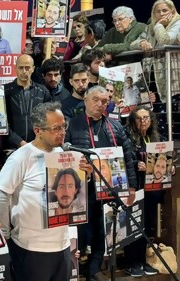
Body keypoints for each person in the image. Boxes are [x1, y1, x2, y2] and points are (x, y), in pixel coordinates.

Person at [0, 102, 93, 281]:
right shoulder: (21, 157)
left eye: (64, 126)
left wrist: (86, 176)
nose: (62, 132)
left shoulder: (63, 153)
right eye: (56, 128)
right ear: (38, 130)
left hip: (61, 244)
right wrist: (5, 233)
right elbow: (0, 195)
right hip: (31, 247)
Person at [65, 86, 138, 280]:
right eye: (96, 100)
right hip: (81, 188)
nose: (100, 104)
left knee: (101, 228)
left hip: (108, 187)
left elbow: (128, 156)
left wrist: (131, 186)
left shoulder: (115, 126)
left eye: (104, 101)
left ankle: (94, 269)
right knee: (79, 228)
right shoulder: (73, 124)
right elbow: (63, 155)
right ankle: (75, 268)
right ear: (86, 101)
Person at [122, 106, 167, 277]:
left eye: (146, 118)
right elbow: (125, 159)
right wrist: (136, 164)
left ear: (151, 119)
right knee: (133, 225)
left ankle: (143, 260)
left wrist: (169, 168)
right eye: (139, 118)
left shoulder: (156, 138)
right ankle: (131, 262)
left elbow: (165, 158)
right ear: (133, 121)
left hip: (152, 190)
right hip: (135, 187)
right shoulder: (127, 137)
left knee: (147, 225)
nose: (143, 121)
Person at [4, 54, 52, 149]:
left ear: (33, 69)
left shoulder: (42, 91)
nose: (24, 71)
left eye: (27, 68)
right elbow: (1, 122)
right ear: (15, 68)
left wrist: (39, 139)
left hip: (39, 145)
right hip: (12, 147)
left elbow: (49, 119)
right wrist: (19, 141)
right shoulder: (6, 91)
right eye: (21, 68)